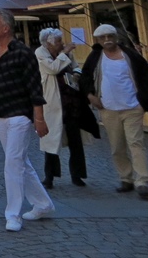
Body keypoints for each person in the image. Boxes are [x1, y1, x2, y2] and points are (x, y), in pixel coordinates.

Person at [0, 8, 54, 232]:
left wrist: (38, 118)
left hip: (20, 114)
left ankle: (13, 214)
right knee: (21, 162)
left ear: (6, 27)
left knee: (12, 162)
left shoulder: (23, 53)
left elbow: (34, 87)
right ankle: (43, 204)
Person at [80, 23, 148, 200]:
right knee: (117, 147)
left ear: (116, 37)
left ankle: (142, 181)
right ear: (98, 40)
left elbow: (146, 78)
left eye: (110, 36)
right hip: (108, 109)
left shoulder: (130, 56)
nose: (107, 40)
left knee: (136, 144)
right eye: (103, 38)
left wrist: (143, 101)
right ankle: (126, 178)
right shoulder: (95, 57)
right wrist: (91, 96)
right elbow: (85, 77)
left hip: (132, 107)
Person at [35, 28, 97, 189]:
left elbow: (76, 67)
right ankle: (49, 176)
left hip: (71, 102)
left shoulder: (65, 53)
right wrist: (65, 53)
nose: (61, 44)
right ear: (48, 43)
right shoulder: (40, 53)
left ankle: (77, 175)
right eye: (58, 41)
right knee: (51, 140)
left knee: (75, 139)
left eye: (61, 41)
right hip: (52, 101)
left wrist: (76, 74)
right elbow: (53, 68)